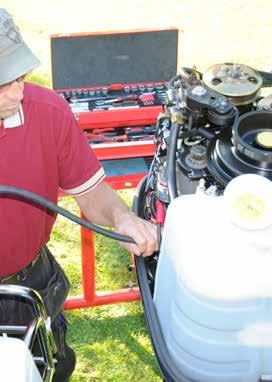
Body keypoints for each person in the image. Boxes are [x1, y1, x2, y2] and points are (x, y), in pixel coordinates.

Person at [0, 8, 157, 381]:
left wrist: (123, 218)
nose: (18, 91)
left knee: (48, 368)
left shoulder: (48, 112)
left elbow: (91, 193)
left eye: (19, 75)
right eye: (3, 82)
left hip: (29, 282)